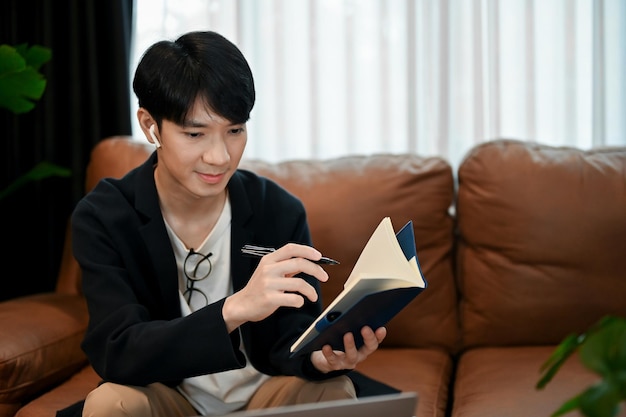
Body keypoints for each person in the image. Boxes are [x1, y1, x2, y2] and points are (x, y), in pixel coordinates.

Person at [60, 31, 393, 417]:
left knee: (336, 389)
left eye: (235, 130)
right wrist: (235, 308)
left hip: (266, 397)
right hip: (169, 398)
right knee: (109, 403)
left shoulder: (278, 210)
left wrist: (320, 359)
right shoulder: (104, 216)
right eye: (194, 133)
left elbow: (293, 333)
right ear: (151, 126)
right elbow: (118, 350)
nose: (220, 157)